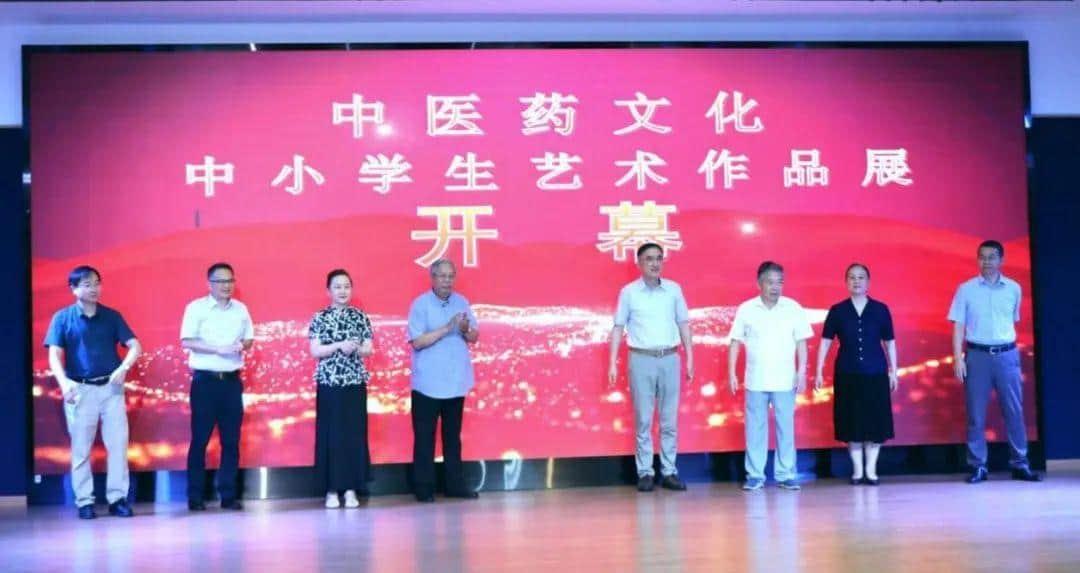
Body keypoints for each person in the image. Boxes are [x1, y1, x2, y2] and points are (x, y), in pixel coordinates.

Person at [45, 265, 141, 519]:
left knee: (118, 446)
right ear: (73, 289)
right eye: (87, 284)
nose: (94, 289)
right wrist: (64, 383)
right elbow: (54, 355)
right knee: (81, 448)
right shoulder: (62, 318)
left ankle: (117, 498)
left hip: (111, 389)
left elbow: (135, 345)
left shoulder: (112, 316)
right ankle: (84, 501)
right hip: (79, 389)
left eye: (97, 283)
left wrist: (124, 368)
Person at [949, 240, 1042, 484]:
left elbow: (1012, 321)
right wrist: (958, 357)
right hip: (977, 356)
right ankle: (978, 466)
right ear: (977, 260)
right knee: (976, 415)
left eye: (992, 257)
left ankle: (1020, 464)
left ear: (1001, 260)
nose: (987, 262)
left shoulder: (1014, 288)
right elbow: (958, 325)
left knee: (1014, 411)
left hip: (1007, 355)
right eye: (982, 257)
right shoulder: (966, 289)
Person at [607, 242, 694, 492]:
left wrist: (690, 356)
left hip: (670, 358)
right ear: (639, 263)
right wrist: (612, 362)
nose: (655, 263)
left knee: (669, 421)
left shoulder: (674, 290)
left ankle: (669, 472)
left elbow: (683, 324)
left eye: (658, 258)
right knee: (643, 419)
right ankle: (645, 472)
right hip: (641, 359)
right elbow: (618, 327)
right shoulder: (629, 293)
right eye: (649, 259)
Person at [728, 261, 813, 491]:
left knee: (786, 429)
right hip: (756, 379)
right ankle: (755, 475)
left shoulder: (793, 308)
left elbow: (801, 343)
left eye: (779, 282)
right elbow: (735, 342)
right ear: (759, 283)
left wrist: (801, 372)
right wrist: (732, 372)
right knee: (755, 430)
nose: (775, 287)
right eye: (770, 282)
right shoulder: (747, 309)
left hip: (785, 380)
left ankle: (786, 474)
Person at [814, 263, 898, 486]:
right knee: (852, 423)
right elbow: (825, 342)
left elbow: (890, 342)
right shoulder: (837, 310)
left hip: (876, 373)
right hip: (847, 374)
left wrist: (894, 371)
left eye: (861, 277)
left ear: (868, 282)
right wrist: (818, 370)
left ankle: (871, 470)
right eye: (852, 277)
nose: (856, 281)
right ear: (846, 282)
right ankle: (858, 471)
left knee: (875, 423)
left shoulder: (881, 309)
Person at [180, 262, 255, 510]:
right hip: (205, 382)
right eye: (220, 281)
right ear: (209, 283)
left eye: (230, 280)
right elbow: (187, 340)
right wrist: (217, 349)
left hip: (231, 382)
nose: (226, 285)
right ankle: (195, 496)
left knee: (231, 441)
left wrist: (241, 345)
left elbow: (249, 338)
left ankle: (228, 495)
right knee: (200, 440)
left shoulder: (241, 309)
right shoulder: (196, 308)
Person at [407, 259, 479, 503]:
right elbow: (417, 342)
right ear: (433, 277)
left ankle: (454, 485)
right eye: (442, 276)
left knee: (452, 438)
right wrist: (448, 327)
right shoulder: (420, 304)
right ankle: (423, 487)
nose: (447, 281)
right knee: (424, 438)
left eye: (451, 276)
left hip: (455, 381)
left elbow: (474, 336)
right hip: (427, 384)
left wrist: (466, 329)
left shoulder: (462, 302)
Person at [308, 269, 375, 509]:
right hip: (329, 383)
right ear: (328, 291)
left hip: (354, 383)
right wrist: (339, 345)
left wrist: (355, 348)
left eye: (346, 286)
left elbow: (368, 349)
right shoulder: (320, 317)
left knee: (353, 436)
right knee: (331, 436)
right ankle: (331, 490)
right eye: (337, 286)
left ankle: (351, 489)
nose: (343, 291)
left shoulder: (360, 316)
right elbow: (315, 350)